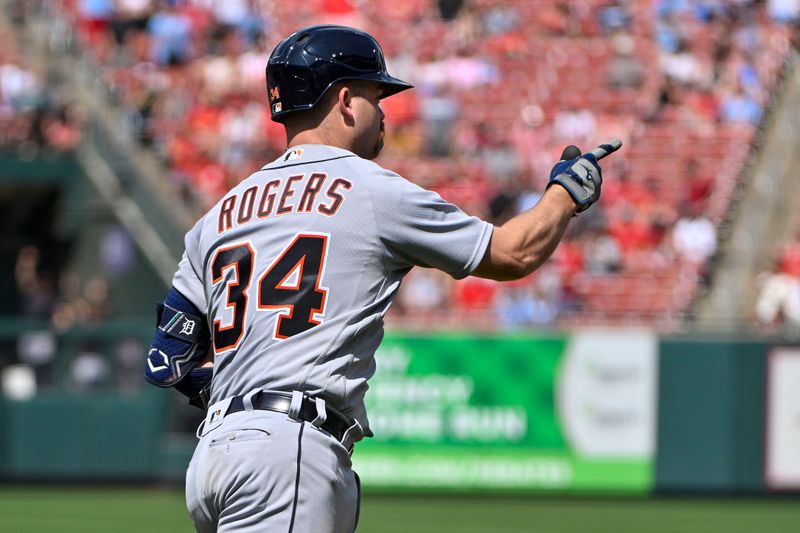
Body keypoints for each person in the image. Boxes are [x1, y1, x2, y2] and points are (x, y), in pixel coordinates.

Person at [144, 25, 620, 533]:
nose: (385, 110)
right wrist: (565, 194)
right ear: (346, 100)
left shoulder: (220, 215)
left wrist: (243, 405)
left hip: (214, 456)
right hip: (288, 451)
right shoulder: (370, 190)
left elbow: (167, 359)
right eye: (376, 94)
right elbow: (513, 253)